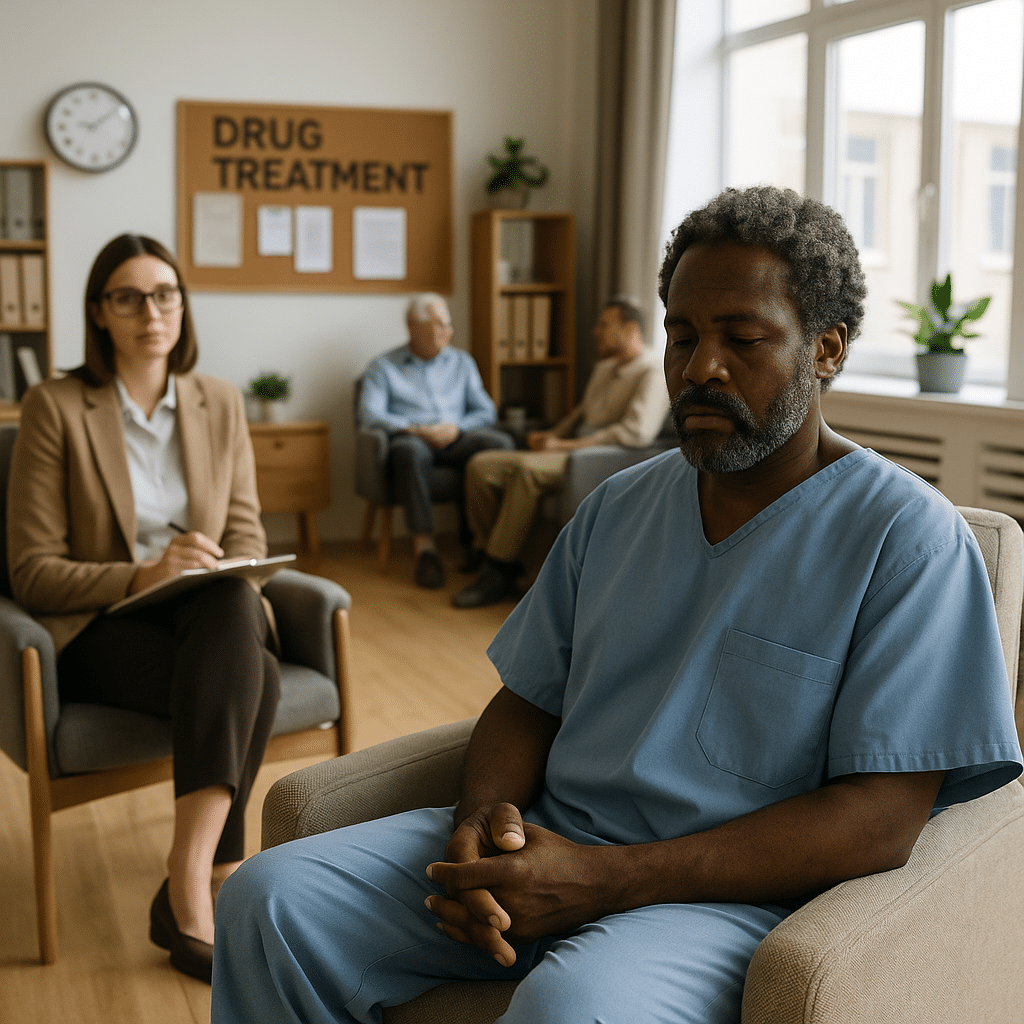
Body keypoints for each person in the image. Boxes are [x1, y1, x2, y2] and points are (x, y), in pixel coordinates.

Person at [211, 186, 1023, 1024]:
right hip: (549, 842)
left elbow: (880, 821)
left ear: (826, 349)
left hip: (721, 901)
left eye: (742, 339)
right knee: (268, 900)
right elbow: (528, 699)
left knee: (573, 1007)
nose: (699, 366)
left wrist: (608, 880)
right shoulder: (618, 507)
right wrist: (481, 823)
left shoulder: (908, 542)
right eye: (682, 335)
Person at [7, 234, 280, 984]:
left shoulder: (218, 401)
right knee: (258, 671)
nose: (150, 312)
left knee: (230, 605)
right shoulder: (55, 407)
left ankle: (188, 876)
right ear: (99, 313)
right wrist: (144, 575)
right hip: (103, 629)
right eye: (128, 297)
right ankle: (213, 872)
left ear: (182, 306)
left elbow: (249, 531)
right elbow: (32, 572)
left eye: (165, 294)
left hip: (209, 617)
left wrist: (220, 569)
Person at [453, 297, 669, 607]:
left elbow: (636, 433)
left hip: (598, 459)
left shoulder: (652, 371)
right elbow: (582, 412)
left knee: (527, 472)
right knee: (480, 465)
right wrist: (552, 435)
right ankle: (497, 558)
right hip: (568, 449)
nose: (595, 331)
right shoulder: (605, 367)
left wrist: (564, 446)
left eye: (604, 325)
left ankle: (496, 569)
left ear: (631, 329)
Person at [357, 294, 514, 589]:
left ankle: (484, 545)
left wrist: (456, 428)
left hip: (456, 437)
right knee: (407, 452)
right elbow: (369, 415)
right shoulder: (383, 366)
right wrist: (415, 429)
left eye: (448, 324)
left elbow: (486, 410)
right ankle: (425, 550)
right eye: (439, 323)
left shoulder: (462, 362)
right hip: (413, 440)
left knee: (499, 444)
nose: (447, 331)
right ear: (413, 326)